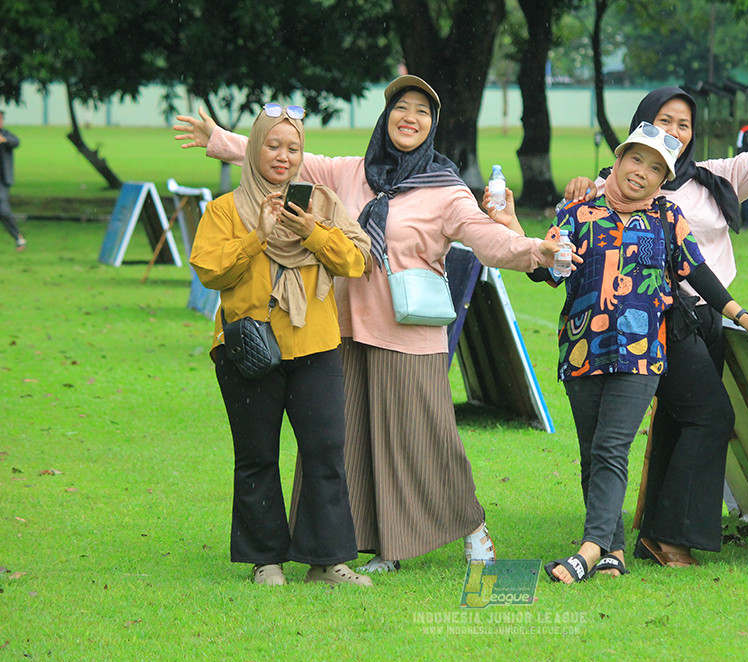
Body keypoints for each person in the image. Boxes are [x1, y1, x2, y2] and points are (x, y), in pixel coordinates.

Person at [177, 75, 558, 574]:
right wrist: (219, 140)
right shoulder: (349, 174)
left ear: (432, 125)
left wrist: (535, 251)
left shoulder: (445, 189)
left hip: (409, 334)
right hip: (342, 331)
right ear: (386, 115)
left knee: (426, 442)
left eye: (422, 111)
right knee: (354, 448)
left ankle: (473, 525)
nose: (410, 117)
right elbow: (280, 153)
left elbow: (486, 238)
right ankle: (381, 548)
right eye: (402, 106)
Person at [564, 86, 748, 568]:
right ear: (641, 125)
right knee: (709, 416)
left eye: (684, 125)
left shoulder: (711, 179)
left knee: (680, 420)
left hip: (708, 318)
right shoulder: (615, 183)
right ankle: (668, 536)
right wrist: (579, 187)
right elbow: (570, 234)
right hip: (653, 319)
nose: (674, 133)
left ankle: (644, 533)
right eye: (664, 121)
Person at [542, 122, 748, 584]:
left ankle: (589, 549)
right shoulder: (577, 213)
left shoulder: (667, 218)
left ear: (663, 179)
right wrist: (545, 255)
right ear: (620, 159)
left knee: (613, 447)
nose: (642, 173)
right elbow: (546, 271)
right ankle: (615, 551)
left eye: (655, 168)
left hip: (641, 353)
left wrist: (740, 313)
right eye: (636, 160)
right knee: (592, 452)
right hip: (582, 348)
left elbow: (698, 272)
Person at [190, 103, 374, 587]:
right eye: (273, 145)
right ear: (254, 149)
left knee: (326, 451)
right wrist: (258, 236)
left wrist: (311, 231)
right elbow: (210, 270)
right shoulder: (225, 210)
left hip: (315, 346)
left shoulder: (324, 204)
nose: (283, 156)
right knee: (256, 454)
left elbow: (356, 262)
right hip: (249, 350)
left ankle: (327, 560)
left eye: (293, 148)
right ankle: (265, 560)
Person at [0, 111, 26, 252]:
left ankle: (18, 237)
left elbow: (16, 142)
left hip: (2, 180)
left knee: (3, 210)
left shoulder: (6, 135)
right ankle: (18, 238)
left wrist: (3, 140)